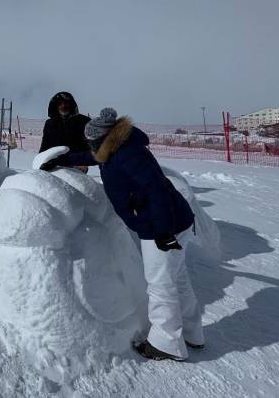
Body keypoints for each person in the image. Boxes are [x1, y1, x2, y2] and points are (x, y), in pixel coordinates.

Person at [41, 107, 203, 361]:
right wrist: (64, 160)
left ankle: (167, 344)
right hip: (175, 222)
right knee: (177, 279)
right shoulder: (117, 149)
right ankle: (193, 333)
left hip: (161, 226)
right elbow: (96, 157)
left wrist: (162, 232)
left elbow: (157, 191)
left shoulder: (129, 155)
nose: (90, 145)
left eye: (92, 141)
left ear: (105, 139)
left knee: (161, 285)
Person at [39, 91, 90, 172]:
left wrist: (85, 162)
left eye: (66, 103)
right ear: (55, 106)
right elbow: (45, 144)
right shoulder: (49, 123)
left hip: (76, 165)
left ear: (71, 104)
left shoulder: (83, 121)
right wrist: (40, 160)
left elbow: (90, 144)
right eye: (60, 104)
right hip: (53, 165)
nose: (63, 106)